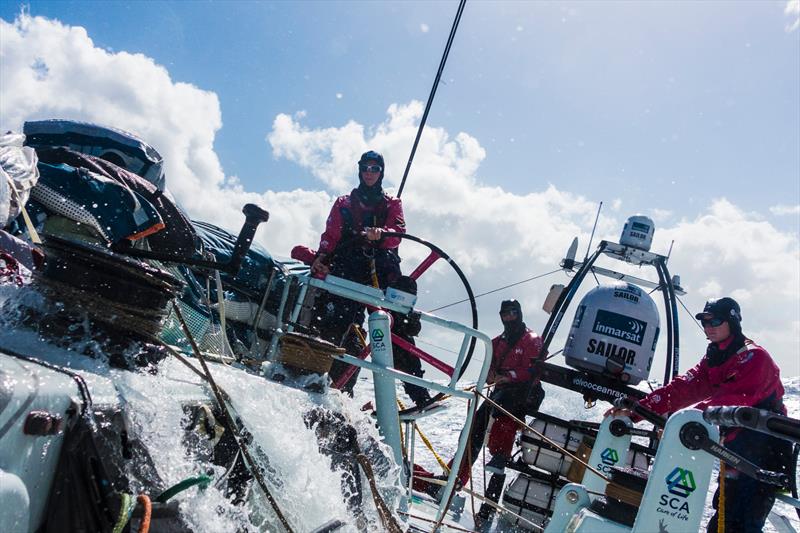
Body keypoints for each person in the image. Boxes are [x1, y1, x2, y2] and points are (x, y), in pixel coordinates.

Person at [607, 297, 792, 533]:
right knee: (723, 520)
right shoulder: (715, 356)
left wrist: (683, 419)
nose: (709, 327)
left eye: (716, 320)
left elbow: (735, 399)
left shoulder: (754, 358)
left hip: (765, 453)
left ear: (732, 322)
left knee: (744, 521)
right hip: (737, 451)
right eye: (705, 322)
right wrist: (637, 411)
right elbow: (683, 388)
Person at [296, 150, 406, 393]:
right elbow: (331, 236)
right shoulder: (343, 203)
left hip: (379, 271)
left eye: (375, 168)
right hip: (346, 269)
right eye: (366, 167)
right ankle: (322, 379)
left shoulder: (391, 204)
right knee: (334, 322)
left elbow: (397, 232)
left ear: (381, 172)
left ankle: (412, 389)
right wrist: (322, 258)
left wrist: (381, 234)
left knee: (395, 326)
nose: (369, 172)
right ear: (359, 170)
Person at [421, 300, 545, 513]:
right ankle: (453, 481)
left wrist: (509, 377)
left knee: (502, 444)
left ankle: (489, 505)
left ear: (520, 313)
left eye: (513, 313)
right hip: (500, 395)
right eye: (505, 314)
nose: (509, 318)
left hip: (523, 397)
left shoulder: (532, 340)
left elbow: (534, 371)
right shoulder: (497, 343)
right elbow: (489, 371)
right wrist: (492, 376)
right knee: (474, 430)